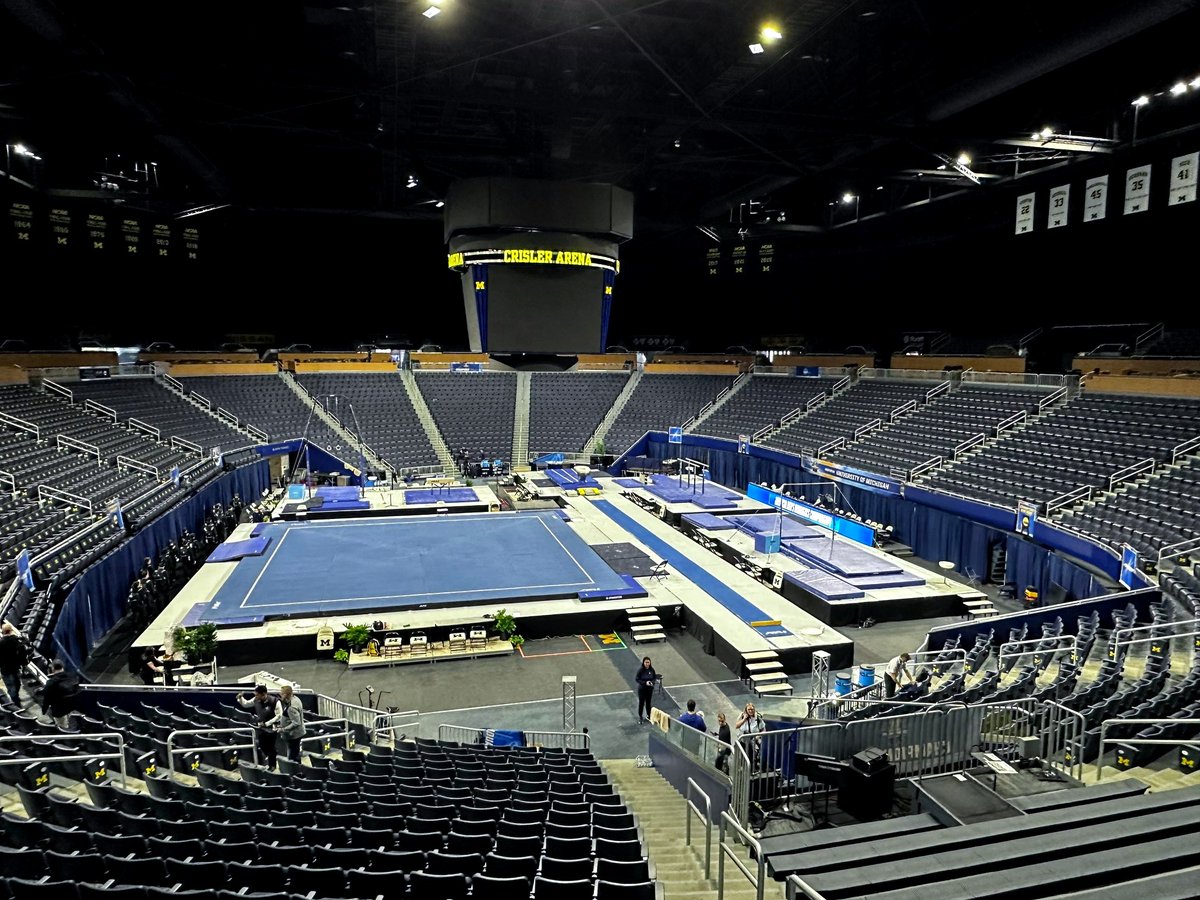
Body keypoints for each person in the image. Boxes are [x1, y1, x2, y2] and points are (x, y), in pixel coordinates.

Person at [238, 684, 279, 769]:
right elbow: (246, 704)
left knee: (271, 747)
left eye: (257, 694)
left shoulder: (274, 701)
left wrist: (267, 723)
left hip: (272, 728)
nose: (255, 696)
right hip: (261, 727)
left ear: (263, 694)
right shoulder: (256, 699)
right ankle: (272, 756)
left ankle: (272, 765)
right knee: (262, 745)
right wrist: (240, 698)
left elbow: (279, 716)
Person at [267, 683, 306, 761]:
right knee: (294, 753)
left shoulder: (292, 707)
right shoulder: (295, 698)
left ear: (285, 695)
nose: (280, 695)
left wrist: (283, 729)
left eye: (281, 694)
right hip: (292, 734)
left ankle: (295, 770)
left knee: (293, 755)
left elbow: (296, 723)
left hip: (294, 735)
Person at [40, 660, 80, 729]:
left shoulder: (50, 683)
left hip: (59, 711)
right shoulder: (73, 677)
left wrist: (44, 710)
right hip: (72, 707)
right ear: (63, 667)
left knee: (62, 728)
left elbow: (46, 698)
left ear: (52, 668)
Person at [0, 622, 27, 706]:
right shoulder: (17, 640)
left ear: (3, 632)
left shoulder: (1, 643)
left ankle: (16, 703)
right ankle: (16, 701)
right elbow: (24, 651)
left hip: (6, 670)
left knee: (11, 687)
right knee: (17, 684)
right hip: (15, 667)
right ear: (11, 631)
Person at [735, 702, 766, 769]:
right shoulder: (742, 716)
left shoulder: (757, 719)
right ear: (746, 710)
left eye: (752, 709)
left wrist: (758, 736)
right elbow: (737, 726)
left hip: (752, 741)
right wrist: (744, 719)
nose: (750, 711)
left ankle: (751, 769)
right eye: (749, 709)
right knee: (743, 757)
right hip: (743, 741)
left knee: (751, 757)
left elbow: (763, 730)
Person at [635, 656, 658, 723]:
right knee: (641, 703)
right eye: (646, 662)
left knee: (648, 703)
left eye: (648, 662)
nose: (647, 663)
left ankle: (649, 715)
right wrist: (645, 683)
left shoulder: (652, 670)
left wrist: (652, 682)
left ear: (650, 663)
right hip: (642, 690)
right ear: (643, 663)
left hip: (649, 689)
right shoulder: (640, 670)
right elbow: (637, 679)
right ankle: (640, 717)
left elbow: (654, 677)